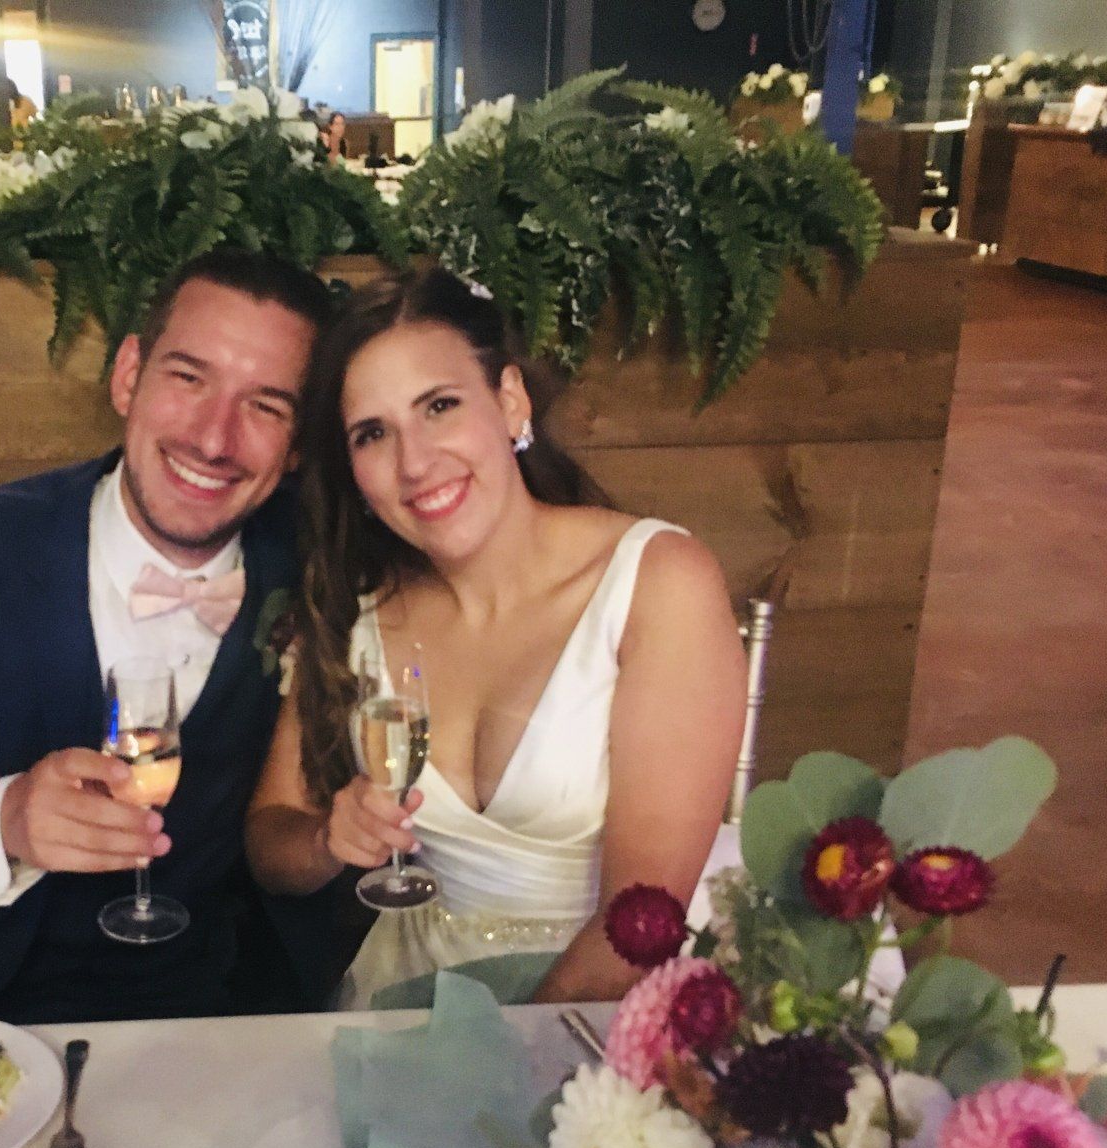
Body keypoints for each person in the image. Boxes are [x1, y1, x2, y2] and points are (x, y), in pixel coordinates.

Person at [0, 249, 335, 1032]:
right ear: (127, 378)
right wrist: (4, 821)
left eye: (266, 406)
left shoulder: (321, 570)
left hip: (185, 1021)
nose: (216, 439)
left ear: (298, 447)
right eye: (188, 378)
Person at [246, 269, 748, 1008]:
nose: (414, 462)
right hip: (404, 1001)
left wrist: (488, 1077)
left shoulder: (657, 584)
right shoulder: (360, 615)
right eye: (373, 433)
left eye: (439, 406)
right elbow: (268, 841)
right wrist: (328, 839)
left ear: (510, 401)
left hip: (605, 1015)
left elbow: (638, 925)